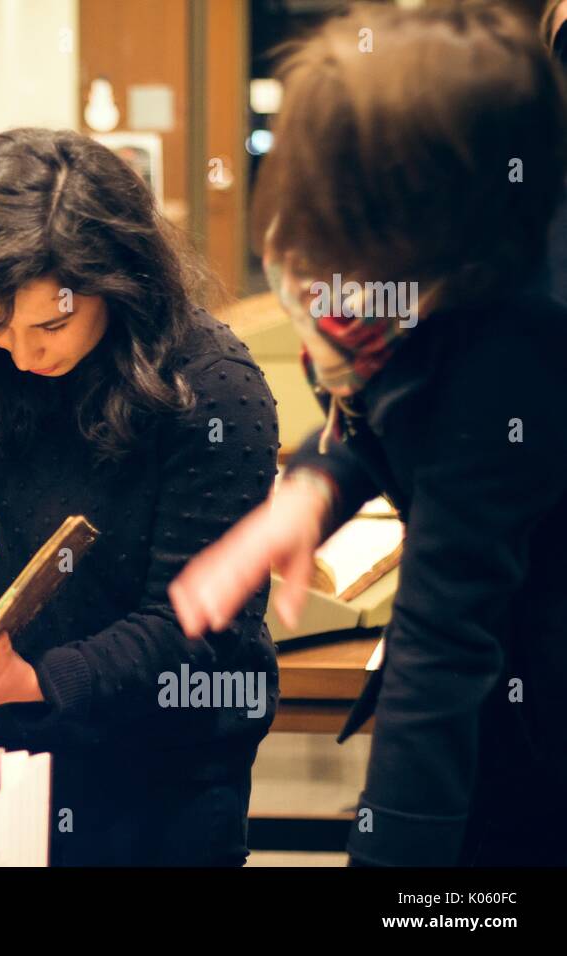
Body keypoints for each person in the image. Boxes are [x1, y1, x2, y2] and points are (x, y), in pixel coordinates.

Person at [170, 1, 567, 866]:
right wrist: (314, 487)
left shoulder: (519, 340)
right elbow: (384, 413)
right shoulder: (415, 291)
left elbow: (443, 646)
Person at [0, 127, 279, 866]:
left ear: (118, 282)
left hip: (169, 773)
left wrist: (39, 679)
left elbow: (201, 629)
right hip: (13, 762)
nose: (24, 352)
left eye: (54, 323)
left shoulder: (214, 388)